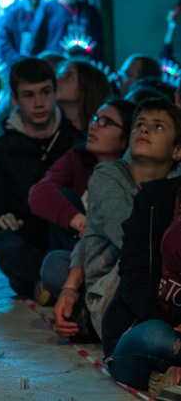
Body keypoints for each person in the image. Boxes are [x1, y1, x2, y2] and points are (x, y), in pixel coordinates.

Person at [53, 98, 181, 342]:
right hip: (114, 280)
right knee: (54, 264)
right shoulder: (107, 176)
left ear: (177, 150)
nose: (144, 130)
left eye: (158, 126)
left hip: (163, 278)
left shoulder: (176, 184)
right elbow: (133, 239)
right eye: (139, 124)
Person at [0, 57, 78, 297]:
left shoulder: (75, 142)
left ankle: (49, 284)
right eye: (29, 95)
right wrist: (0, 220)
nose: (39, 103)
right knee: (3, 242)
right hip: (24, 244)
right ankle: (44, 281)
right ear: (15, 98)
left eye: (45, 92)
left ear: (55, 91)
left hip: (67, 240)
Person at [103, 108, 181, 395]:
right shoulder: (153, 199)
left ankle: (171, 376)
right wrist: (168, 324)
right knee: (155, 337)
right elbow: (133, 275)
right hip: (151, 322)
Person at [30, 97, 134, 298]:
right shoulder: (77, 157)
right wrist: (80, 221)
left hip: (111, 258)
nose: (93, 126)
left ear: (126, 139)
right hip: (76, 254)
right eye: (95, 119)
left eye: (106, 122)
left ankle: (83, 302)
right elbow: (39, 193)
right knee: (53, 263)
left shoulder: (131, 173)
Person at [31, 0, 105, 60]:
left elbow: (98, 42)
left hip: (83, 62)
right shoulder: (48, 9)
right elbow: (36, 40)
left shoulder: (89, 11)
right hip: (55, 62)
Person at [0, 0, 46, 66]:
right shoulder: (14, 15)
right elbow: (4, 41)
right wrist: (17, 60)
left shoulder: (51, 13)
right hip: (20, 65)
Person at [54, 58, 110, 133]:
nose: (57, 80)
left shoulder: (98, 133)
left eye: (69, 76)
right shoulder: (48, 131)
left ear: (86, 88)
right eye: (59, 75)